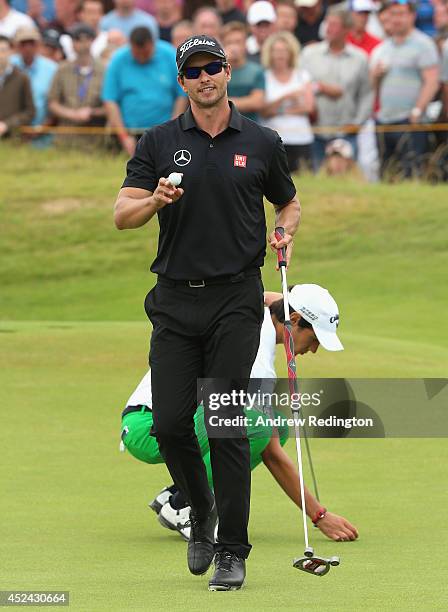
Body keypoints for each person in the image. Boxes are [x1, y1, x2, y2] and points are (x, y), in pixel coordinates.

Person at [113, 34, 300, 591]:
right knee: (170, 425)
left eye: (212, 67)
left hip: (235, 300)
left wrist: (283, 231)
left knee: (223, 425)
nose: (204, 78)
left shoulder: (263, 141)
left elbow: (287, 199)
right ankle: (201, 512)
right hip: (174, 300)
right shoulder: (159, 141)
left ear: (227, 70)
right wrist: (153, 201)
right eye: (193, 71)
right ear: (182, 81)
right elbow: (123, 214)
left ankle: (231, 551)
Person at [121, 285, 359, 544]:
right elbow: (272, 454)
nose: (313, 349)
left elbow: (269, 297)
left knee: (276, 424)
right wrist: (319, 515)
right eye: (315, 339)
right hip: (149, 427)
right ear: (293, 321)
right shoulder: (255, 354)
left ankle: (180, 491)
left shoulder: (250, 311)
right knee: (258, 425)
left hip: (159, 421)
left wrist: (287, 299)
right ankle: (184, 506)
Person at [370, 0, 439, 178]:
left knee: (411, 173)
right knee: (386, 173)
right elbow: (373, 87)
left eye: (401, 14)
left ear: (412, 16)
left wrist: (417, 110)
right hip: (384, 120)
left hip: (410, 121)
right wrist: (375, 75)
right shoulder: (382, 48)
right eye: (393, 14)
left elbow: (432, 81)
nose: (396, 19)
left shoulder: (424, 44)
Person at [301, 6, 373, 170]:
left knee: (346, 180)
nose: (329, 28)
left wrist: (357, 123)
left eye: (334, 25)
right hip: (315, 130)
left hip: (346, 131)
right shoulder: (309, 54)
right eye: (327, 23)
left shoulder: (360, 58)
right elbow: (299, 85)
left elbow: (366, 94)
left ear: (347, 29)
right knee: (316, 179)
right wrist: (321, 87)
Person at [103, 26, 186, 156]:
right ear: (130, 46)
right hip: (130, 132)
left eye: (146, 53)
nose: (141, 57)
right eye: (137, 54)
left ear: (153, 44)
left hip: (164, 131)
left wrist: (173, 131)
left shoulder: (170, 55)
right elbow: (110, 100)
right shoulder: (118, 60)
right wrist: (124, 137)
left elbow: (182, 95)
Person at [260, 30, 314, 173]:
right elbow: (264, 111)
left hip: (300, 138)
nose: (280, 55)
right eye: (276, 51)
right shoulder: (264, 77)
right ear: (269, 53)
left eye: (284, 50)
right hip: (272, 139)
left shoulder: (302, 75)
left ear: (291, 53)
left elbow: (309, 107)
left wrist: (278, 110)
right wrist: (287, 97)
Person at [48, 24, 106, 144]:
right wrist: (71, 114)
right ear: (72, 43)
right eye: (78, 40)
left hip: (94, 138)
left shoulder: (104, 70)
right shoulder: (62, 69)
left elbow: (111, 105)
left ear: (92, 41)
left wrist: (92, 112)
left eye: (87, 40)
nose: (82, 45)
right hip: (65, 137)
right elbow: (52, 103)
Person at [11, 26, 57, 139]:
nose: (28, 47)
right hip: (10, 132)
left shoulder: (52, 68)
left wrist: (41, 129)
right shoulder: (8, 66)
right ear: (16, 46)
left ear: (39, 45)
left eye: (32, 43)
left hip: (43, 135)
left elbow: (55, 100)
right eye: (23, 43)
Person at [221, 20, 265, 122]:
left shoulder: (256, 70)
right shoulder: (217, 71)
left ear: (245, 44)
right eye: (229, 42)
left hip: (251, 127)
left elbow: (257, 102)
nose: (234, 47)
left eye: (238, 42)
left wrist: (222, 103)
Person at [0, 34, 34, 137]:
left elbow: (30, 112)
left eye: (3, 50)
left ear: (11, 51)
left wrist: (7, 124)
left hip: (13, 138)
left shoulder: (22, 78)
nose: (0, 54)